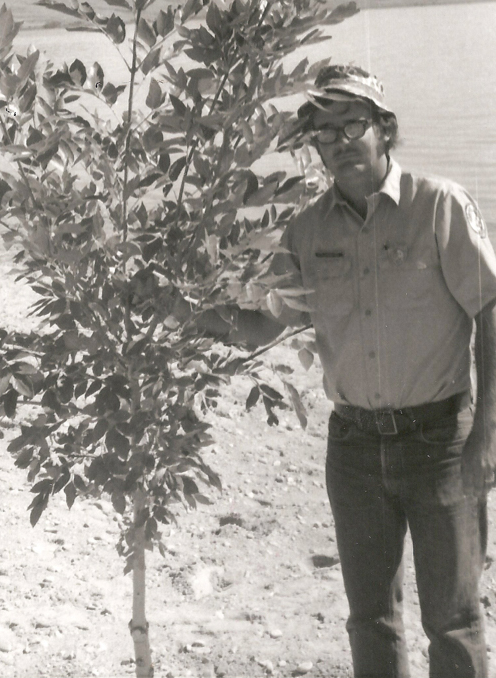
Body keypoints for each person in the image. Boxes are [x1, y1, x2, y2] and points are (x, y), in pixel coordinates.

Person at [198, 65, 496, 678]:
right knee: (370, 619)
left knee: (454, 621)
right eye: (323, 130)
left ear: (384, 128)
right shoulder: (307, 230)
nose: (337, 140)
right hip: (354, 449)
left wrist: (488, 435)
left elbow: (490, 311)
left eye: (350, 123)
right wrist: (181, 310)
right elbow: (264, 325)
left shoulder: (437, 206)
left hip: (442, 442)